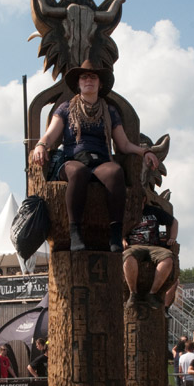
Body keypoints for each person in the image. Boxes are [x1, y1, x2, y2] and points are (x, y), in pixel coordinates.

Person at [30, 60, 160, 252]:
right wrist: (41, 144)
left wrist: (145, 151)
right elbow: (50, 134)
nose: (88, 80)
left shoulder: (109, 111)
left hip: (100, 160)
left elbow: (123, 145)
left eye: (93, 77)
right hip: (72, 159)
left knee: (115, 172)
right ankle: (75, 232)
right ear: (79, 84)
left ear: (100, 84)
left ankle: (115, 233)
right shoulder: (65, 109)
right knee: (79, 172)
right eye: (84, 77)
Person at [122, 202, 178, 309]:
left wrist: (172, 238)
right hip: (134, 246)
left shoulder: (153, 211)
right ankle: (133, 293)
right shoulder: (128, 212)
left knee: (168, 257)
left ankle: (152, 293)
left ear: (143, 199)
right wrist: (122, 239)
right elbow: (118, 228)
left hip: (154, 246)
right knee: (127, 256)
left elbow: (174, 221)